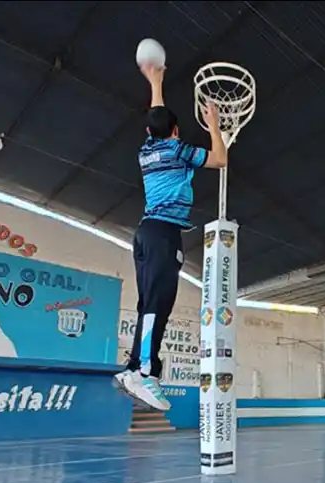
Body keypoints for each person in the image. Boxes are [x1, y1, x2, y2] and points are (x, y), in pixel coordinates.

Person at [114, 62, 227, 411]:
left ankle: (134, 366)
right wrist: (214, 127)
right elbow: (220, 159)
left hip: (147, 235)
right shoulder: (179, 151)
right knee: (157, 306)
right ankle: (145, 372)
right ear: (177, 132)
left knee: (149, 304)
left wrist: (156, 80)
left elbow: (157, 121)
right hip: (163, 235)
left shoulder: (147, 151)